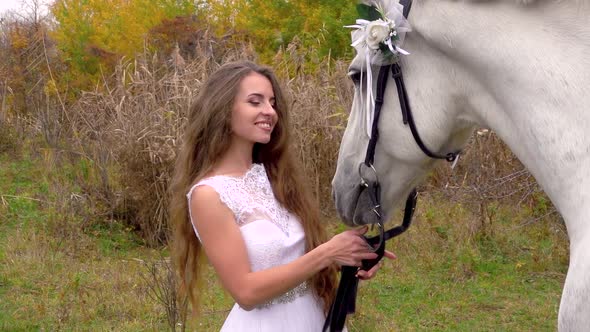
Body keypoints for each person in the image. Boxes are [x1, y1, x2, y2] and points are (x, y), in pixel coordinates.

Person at [169, 60, 395, 331]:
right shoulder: (208, 195)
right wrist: (326, 252)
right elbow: (246, 292)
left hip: (315, 317)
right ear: (222, 109)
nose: (270, 111)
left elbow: (295, 262)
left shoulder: (275, 176)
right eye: (255, 102)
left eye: (272, 102)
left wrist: (346, 256)